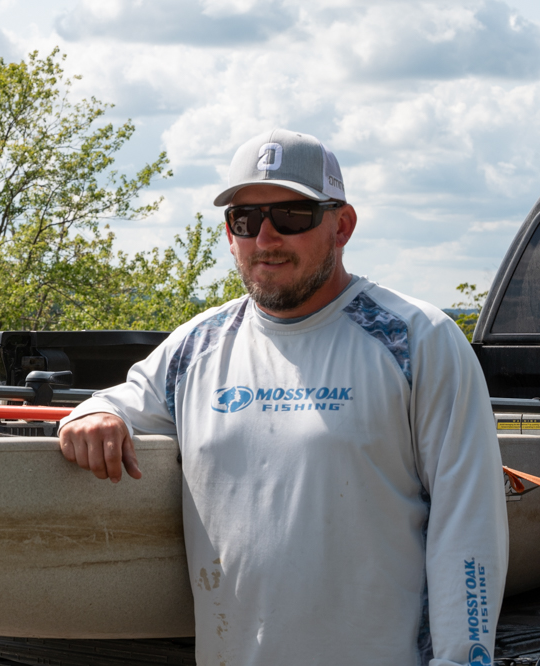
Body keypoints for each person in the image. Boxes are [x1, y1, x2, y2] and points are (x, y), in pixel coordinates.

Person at [58, 129, 508, 666]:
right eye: (245, 220)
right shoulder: (197, 346)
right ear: (229, 235)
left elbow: (470, 521)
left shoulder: (416, 340)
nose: (265, 238)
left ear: (341, 226)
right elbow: (119, 403)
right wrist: (95, 414)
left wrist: (463, 659)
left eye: (291, 216)